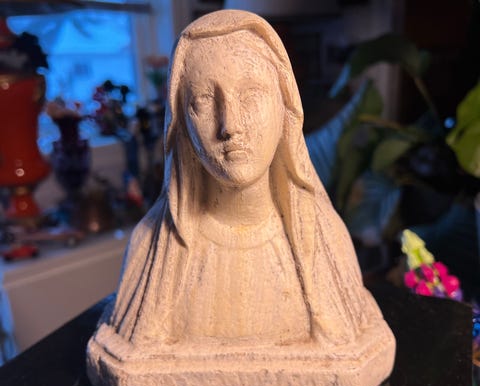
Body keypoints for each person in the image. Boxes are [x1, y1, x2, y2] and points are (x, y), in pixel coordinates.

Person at [98, 9, 383, 348]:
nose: (230, 125)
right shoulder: (149, 250)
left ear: (284, 108)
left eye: (251, 94)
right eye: (204, 100)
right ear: (181, 125)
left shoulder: (328, 244)